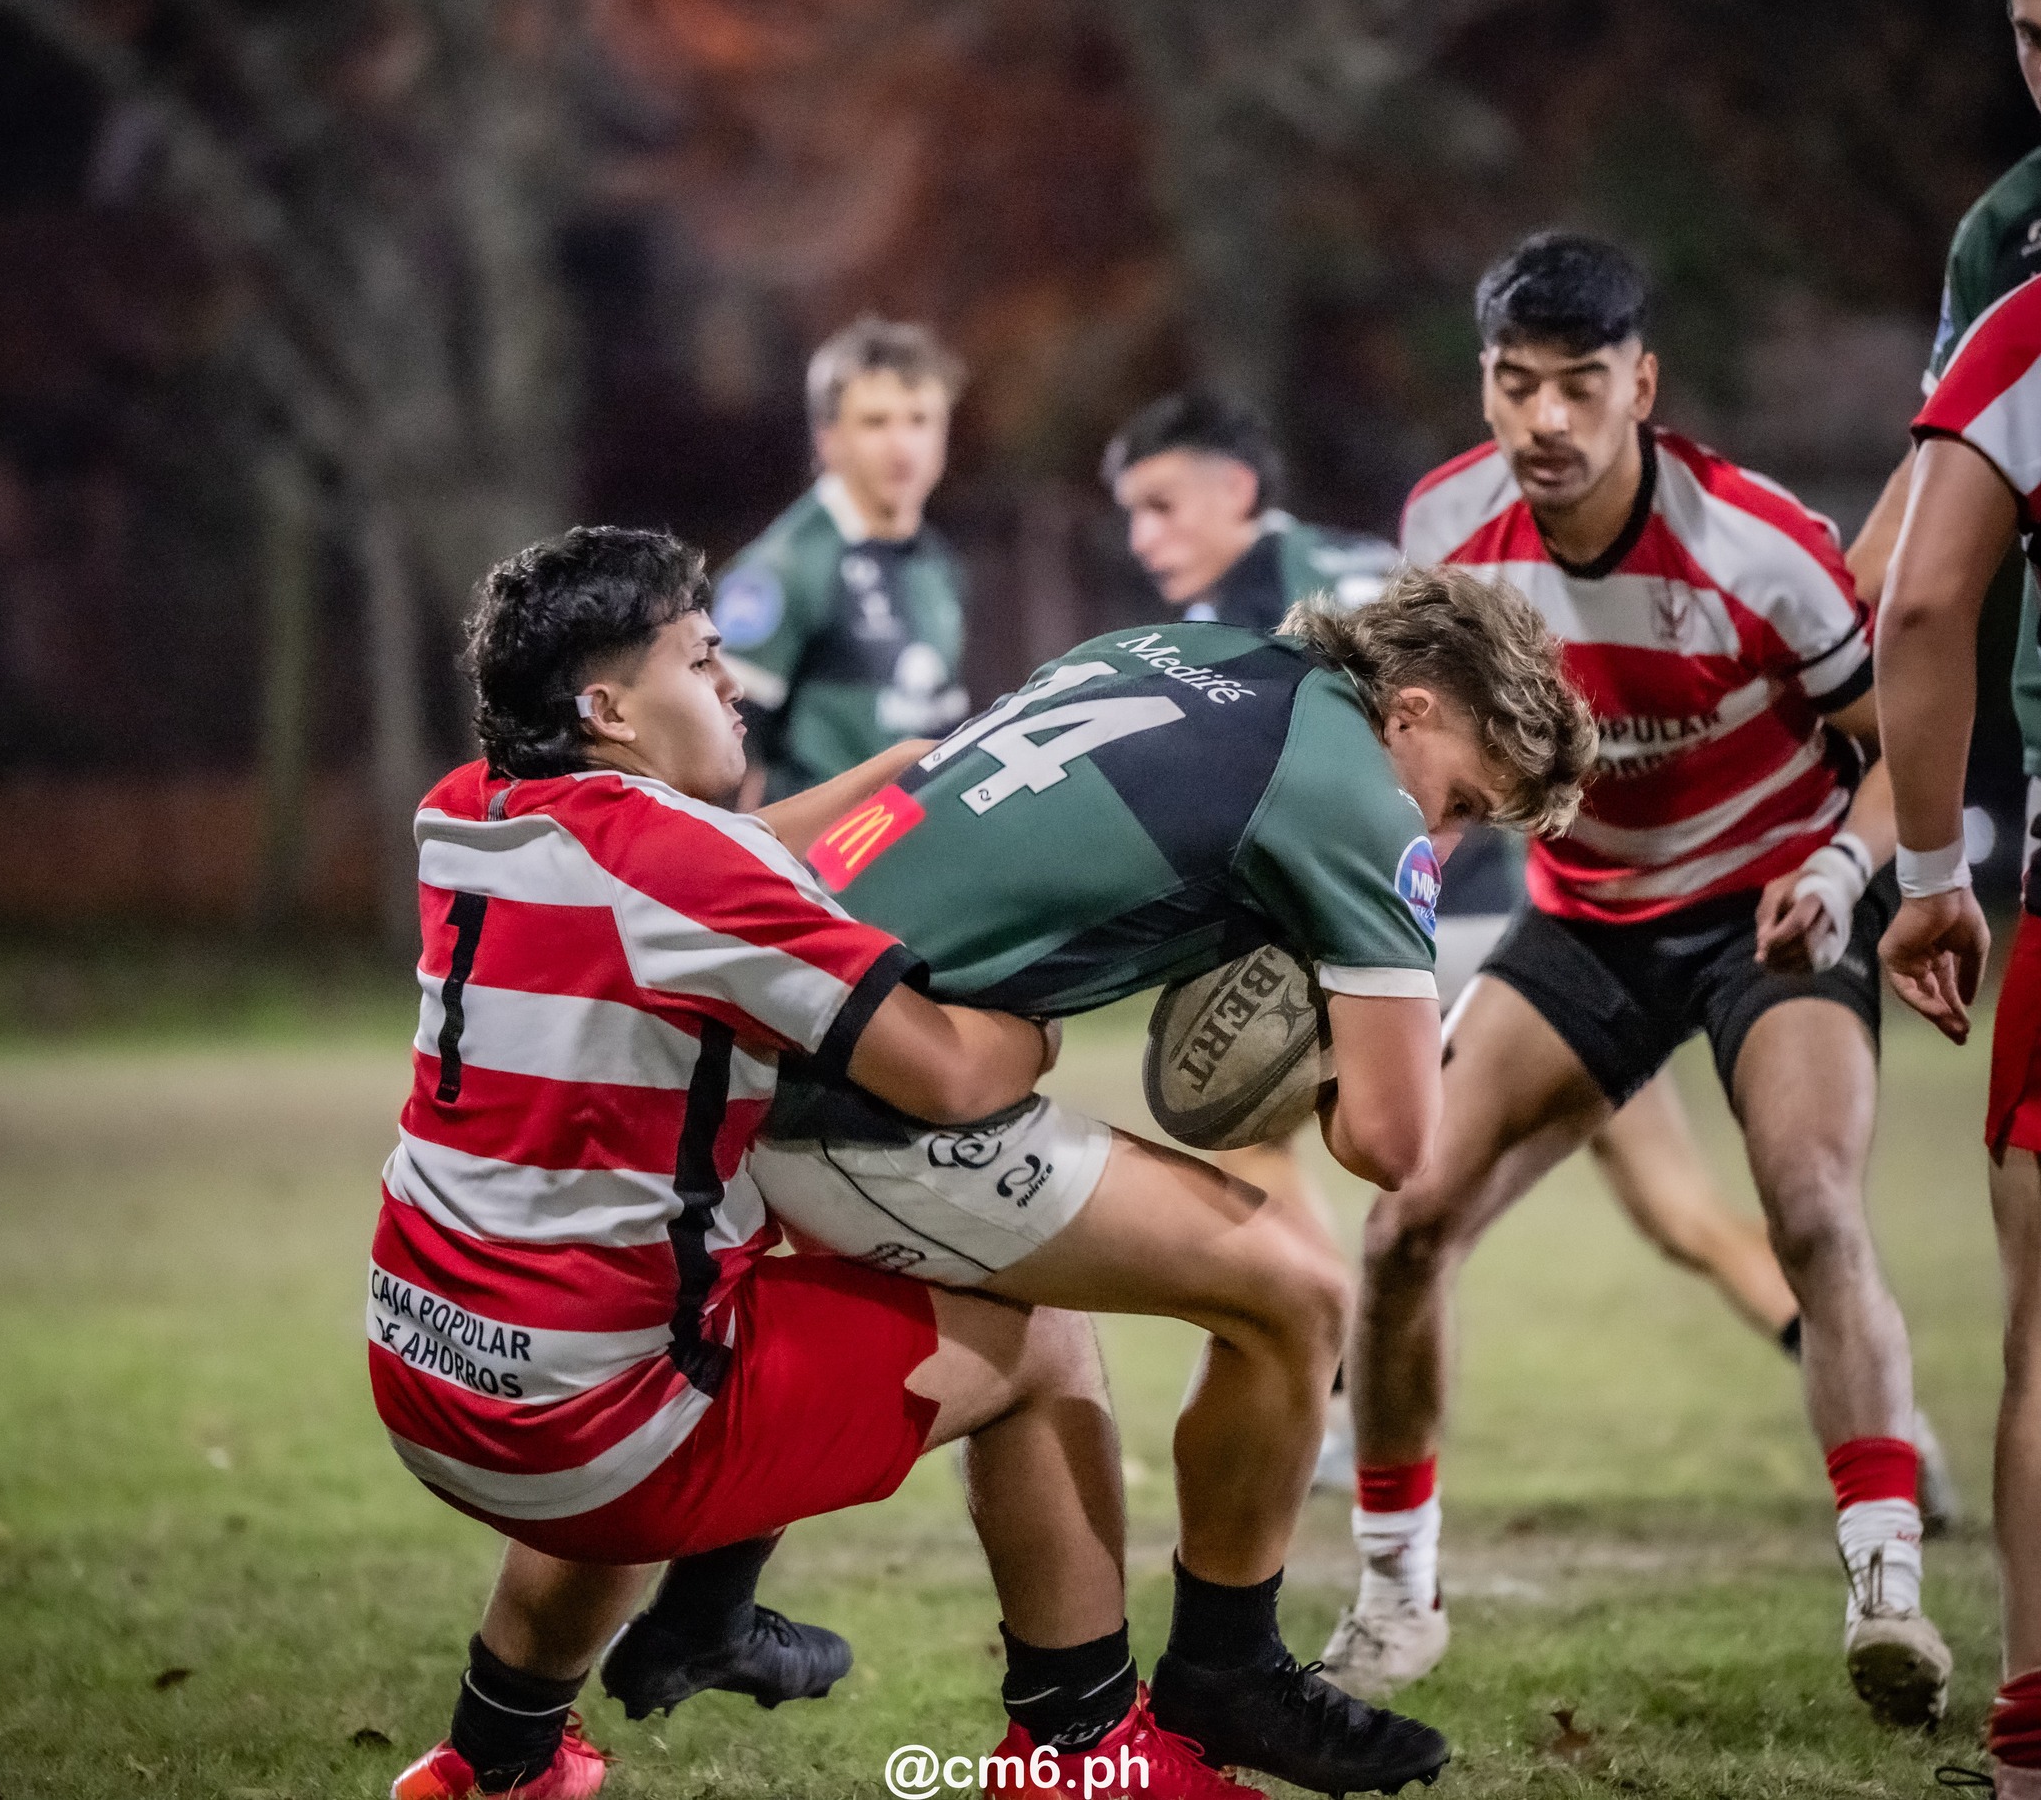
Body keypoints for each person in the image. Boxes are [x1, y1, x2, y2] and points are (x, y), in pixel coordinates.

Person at [379, 527, 1250, 1800]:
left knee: (679, 1307)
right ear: (608, 707)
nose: (731, 684)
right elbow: (949, 1075)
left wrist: (893, 781)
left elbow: (710, 867)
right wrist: (1040, 1014)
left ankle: (497, 1758)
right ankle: (1085, 1753)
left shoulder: (465, 811)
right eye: (701, 657)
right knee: (1041, 1331)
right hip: (586, 1434)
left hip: (425, 1371)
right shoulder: (688, 876)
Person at [736, 564, 1591, 1795]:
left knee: (1039, 1333)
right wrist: (1328, 1038)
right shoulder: (1351, 789)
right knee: (1294, 1295)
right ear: (1408, 709)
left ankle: (1069, 1738)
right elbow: (1394, 1146)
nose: (1441, 839)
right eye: (1458, 799)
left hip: (778, 1037)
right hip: (855, 1099)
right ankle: (1224, 1675)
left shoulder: (1165, 647)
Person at [1323, 232, 1951, 1729]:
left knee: (1809, 1200)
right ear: (1485, 384)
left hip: (1774, 901)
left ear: (1642, 386)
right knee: (1405, 1226)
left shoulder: (1757, 542)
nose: (1544, 420)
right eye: (1514, 382)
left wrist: (1851, 875)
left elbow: (1892, 756)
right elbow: (1425, 752)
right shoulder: (1451, 528)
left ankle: (1887, 1581)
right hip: (1589, 917)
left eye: (1580, 386)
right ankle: (1395, 1594)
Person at [1101, 386, 1844, 1486]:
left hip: (1421, 925)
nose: (1143, 537)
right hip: (1530, 916)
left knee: (1244, 1114)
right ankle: (1873, 1403)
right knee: (1677, 1209)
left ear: (1236, 490)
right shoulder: (1380, 564)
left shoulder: (1253, 610)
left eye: (1160, 507)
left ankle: (1329, 1377)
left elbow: (1285, 795)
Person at [1876, 0, 2041, 1800]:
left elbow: (1920, 591)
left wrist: (1922, 865)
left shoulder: (2023, 305)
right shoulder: (1995, 237)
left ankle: (2030, 1738)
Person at [714, 316, 970, 807]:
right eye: (876, 422)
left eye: (919, 419)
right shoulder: (781, 569)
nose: (902, 445)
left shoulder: (938, 563)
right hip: (820, 871)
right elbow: (720, 763)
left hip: (917, 854)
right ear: (828, 439)